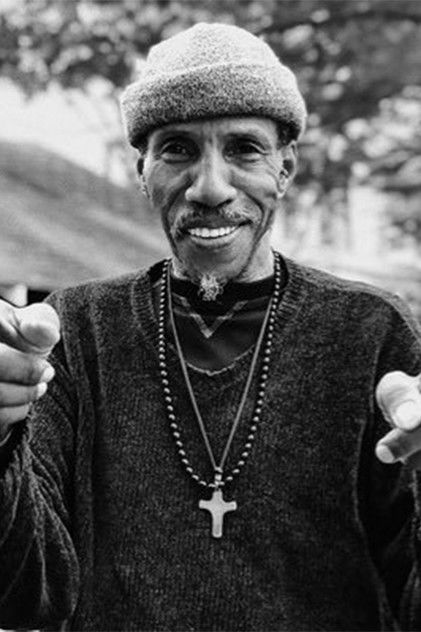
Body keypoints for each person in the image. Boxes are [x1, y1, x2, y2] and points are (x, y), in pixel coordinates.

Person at [1, 22, 421, 632]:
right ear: (142, 170)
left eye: (244, 149)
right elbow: (23, 597)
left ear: (285, 167)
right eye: (177, 149)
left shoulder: (370, 331)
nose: (210, 188)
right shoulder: (77, 330)